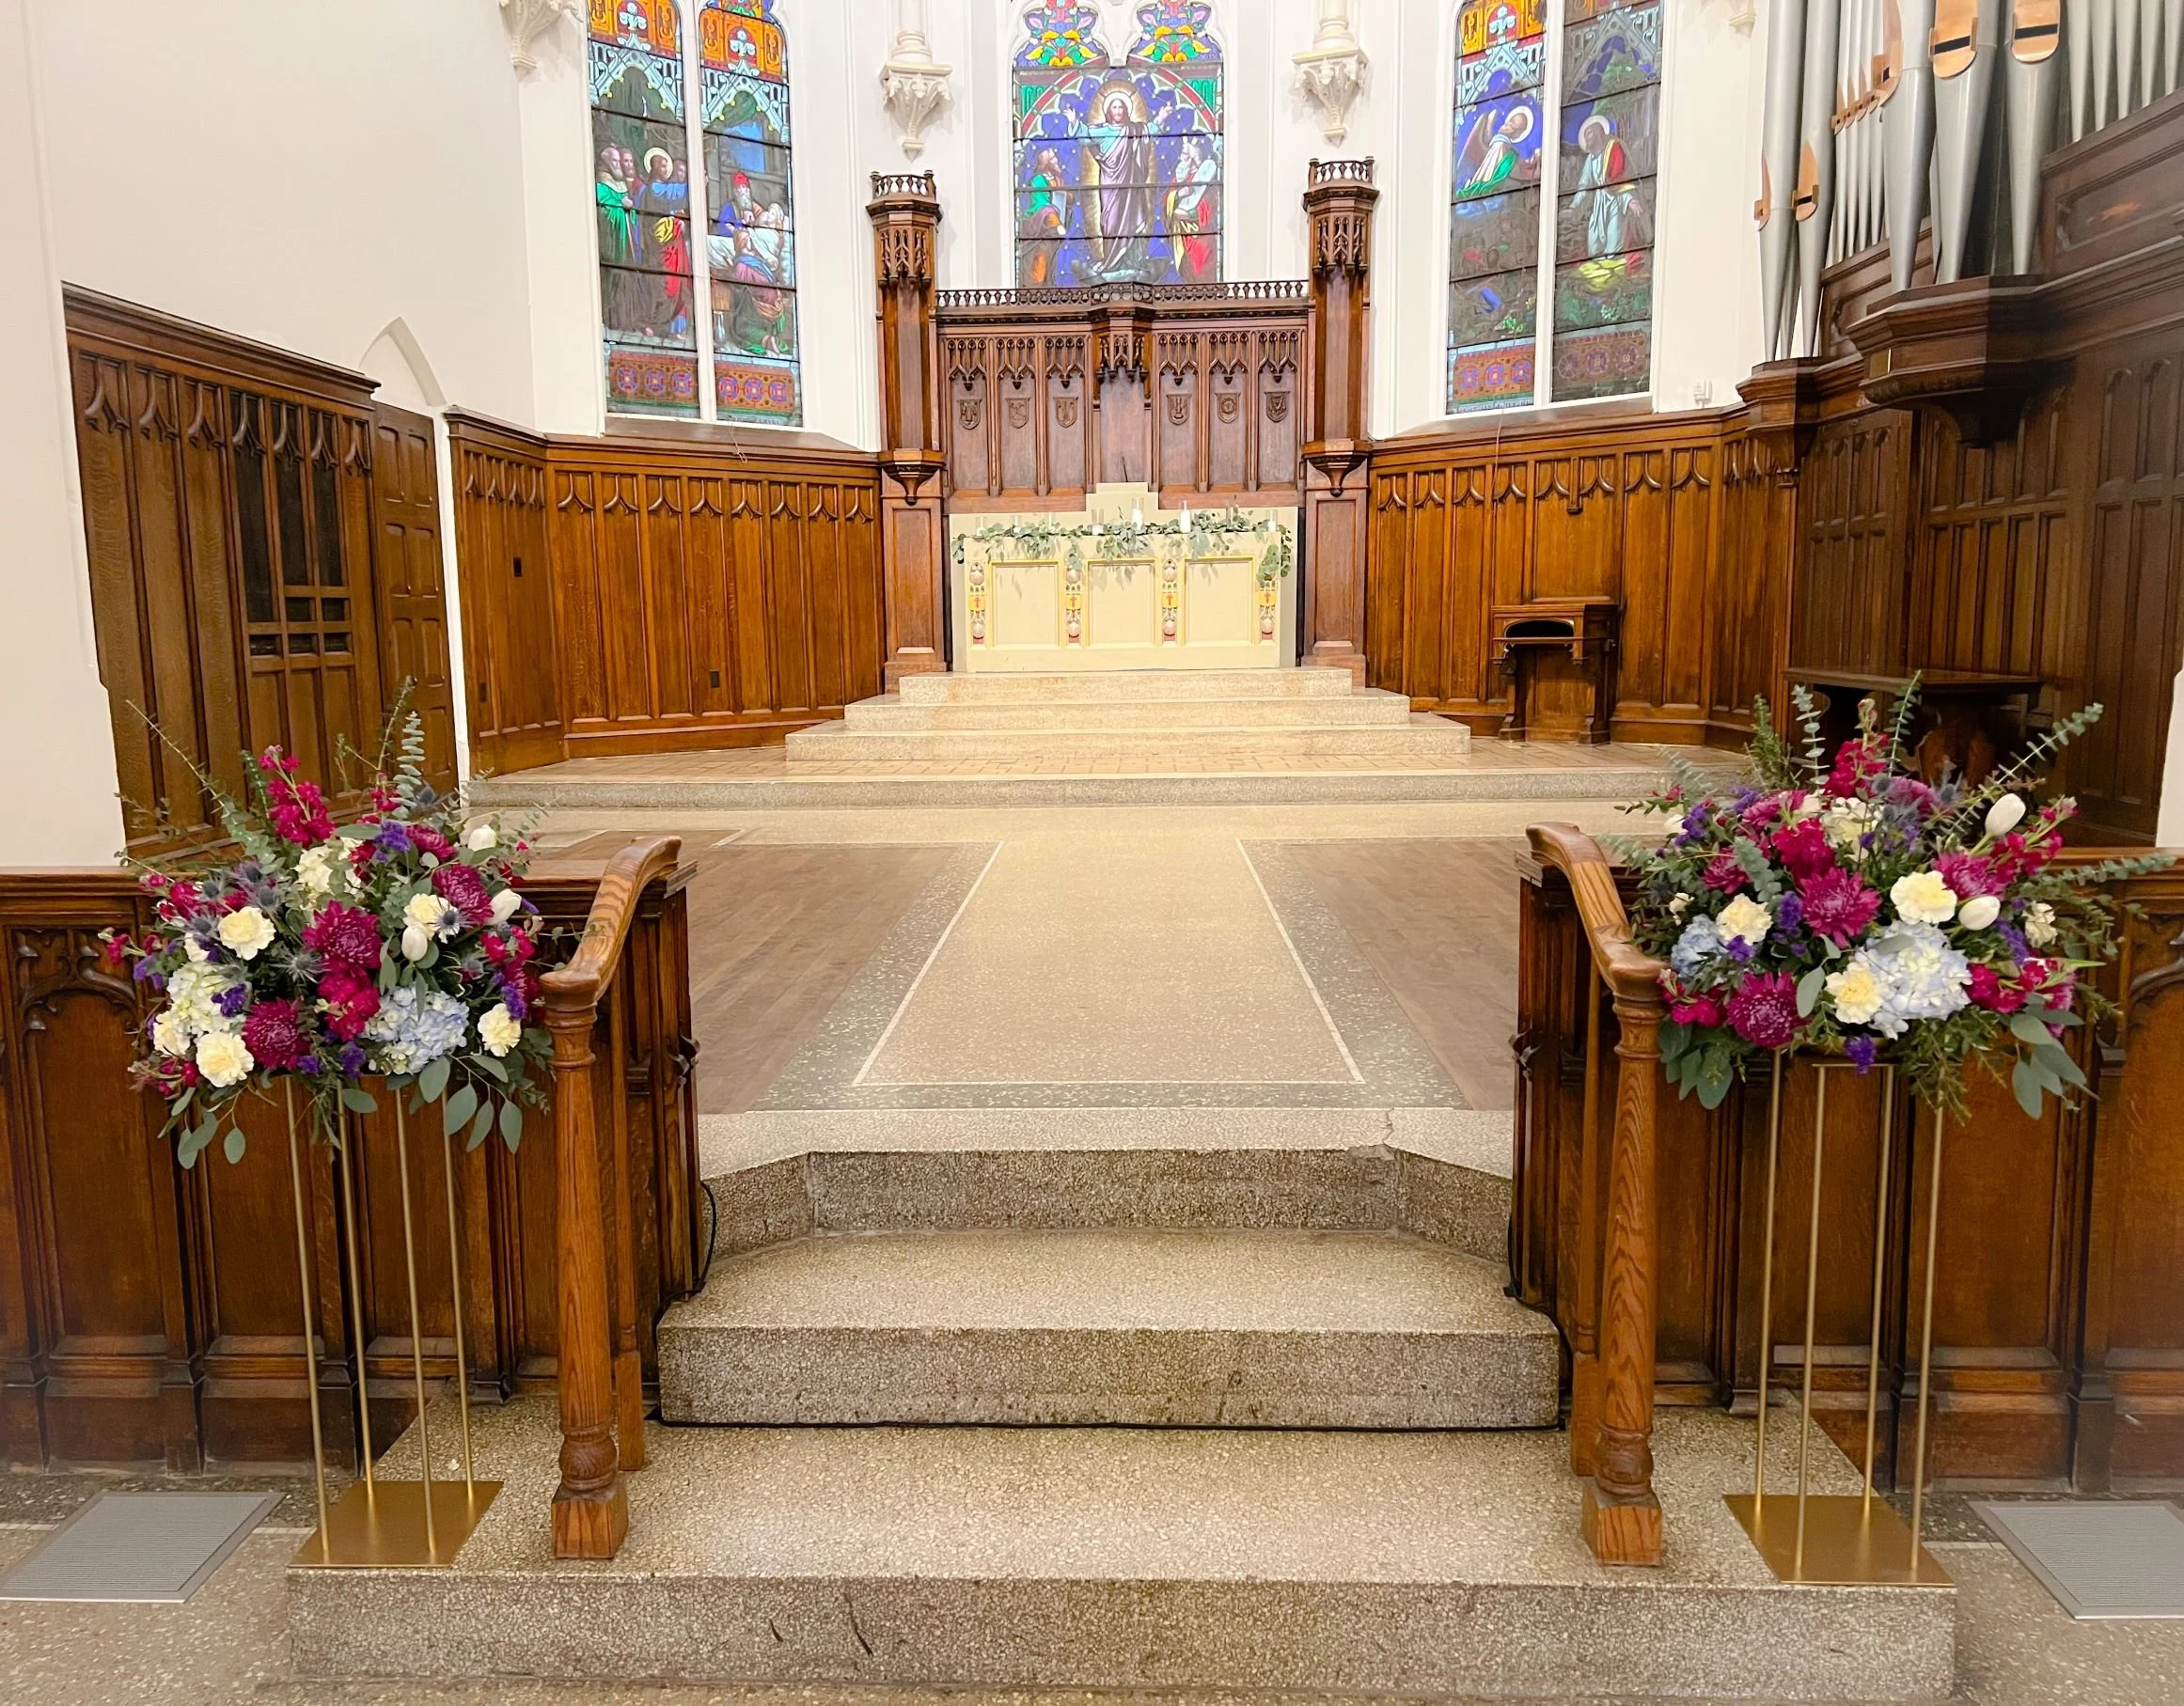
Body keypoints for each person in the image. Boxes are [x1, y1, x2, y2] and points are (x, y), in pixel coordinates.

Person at [1083, 86, 1156, 280]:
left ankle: (1131, 261)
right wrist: (1073, 122)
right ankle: (1110, 262)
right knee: (1110, 222)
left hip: (1131, 185)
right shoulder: (1102, 130)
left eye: (1121, 107)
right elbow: (1084, 136)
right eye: (1114, 107)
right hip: (1110, 185)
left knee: (1132, 219)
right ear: (1108, 111)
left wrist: (1163, 118)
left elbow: (1150, 131)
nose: (1118, 110)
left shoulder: (1135, 129)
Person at [1166, 133, 1218, 281]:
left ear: (1194, 159)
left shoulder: (1205, 178)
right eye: (1181, 155)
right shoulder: (1178, 179)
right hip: (1181, 235)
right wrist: (1178, 195)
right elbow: (1165, 201)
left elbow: (1210, 206)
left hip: (1200, 236)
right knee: (1187, 272)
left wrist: (1191, 215)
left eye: (1185, 155)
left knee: (1201, 273)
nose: (1181, 159)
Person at [1459, 102, 1533, 196]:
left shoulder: (1503, 146)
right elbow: (1487, 140)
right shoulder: (1498, 143)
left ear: (1516, 133)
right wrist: (1489, 121)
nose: (1506, 125)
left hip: (1490, 178)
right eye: (1509, 122)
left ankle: (1482, 187)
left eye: (1512, 125)